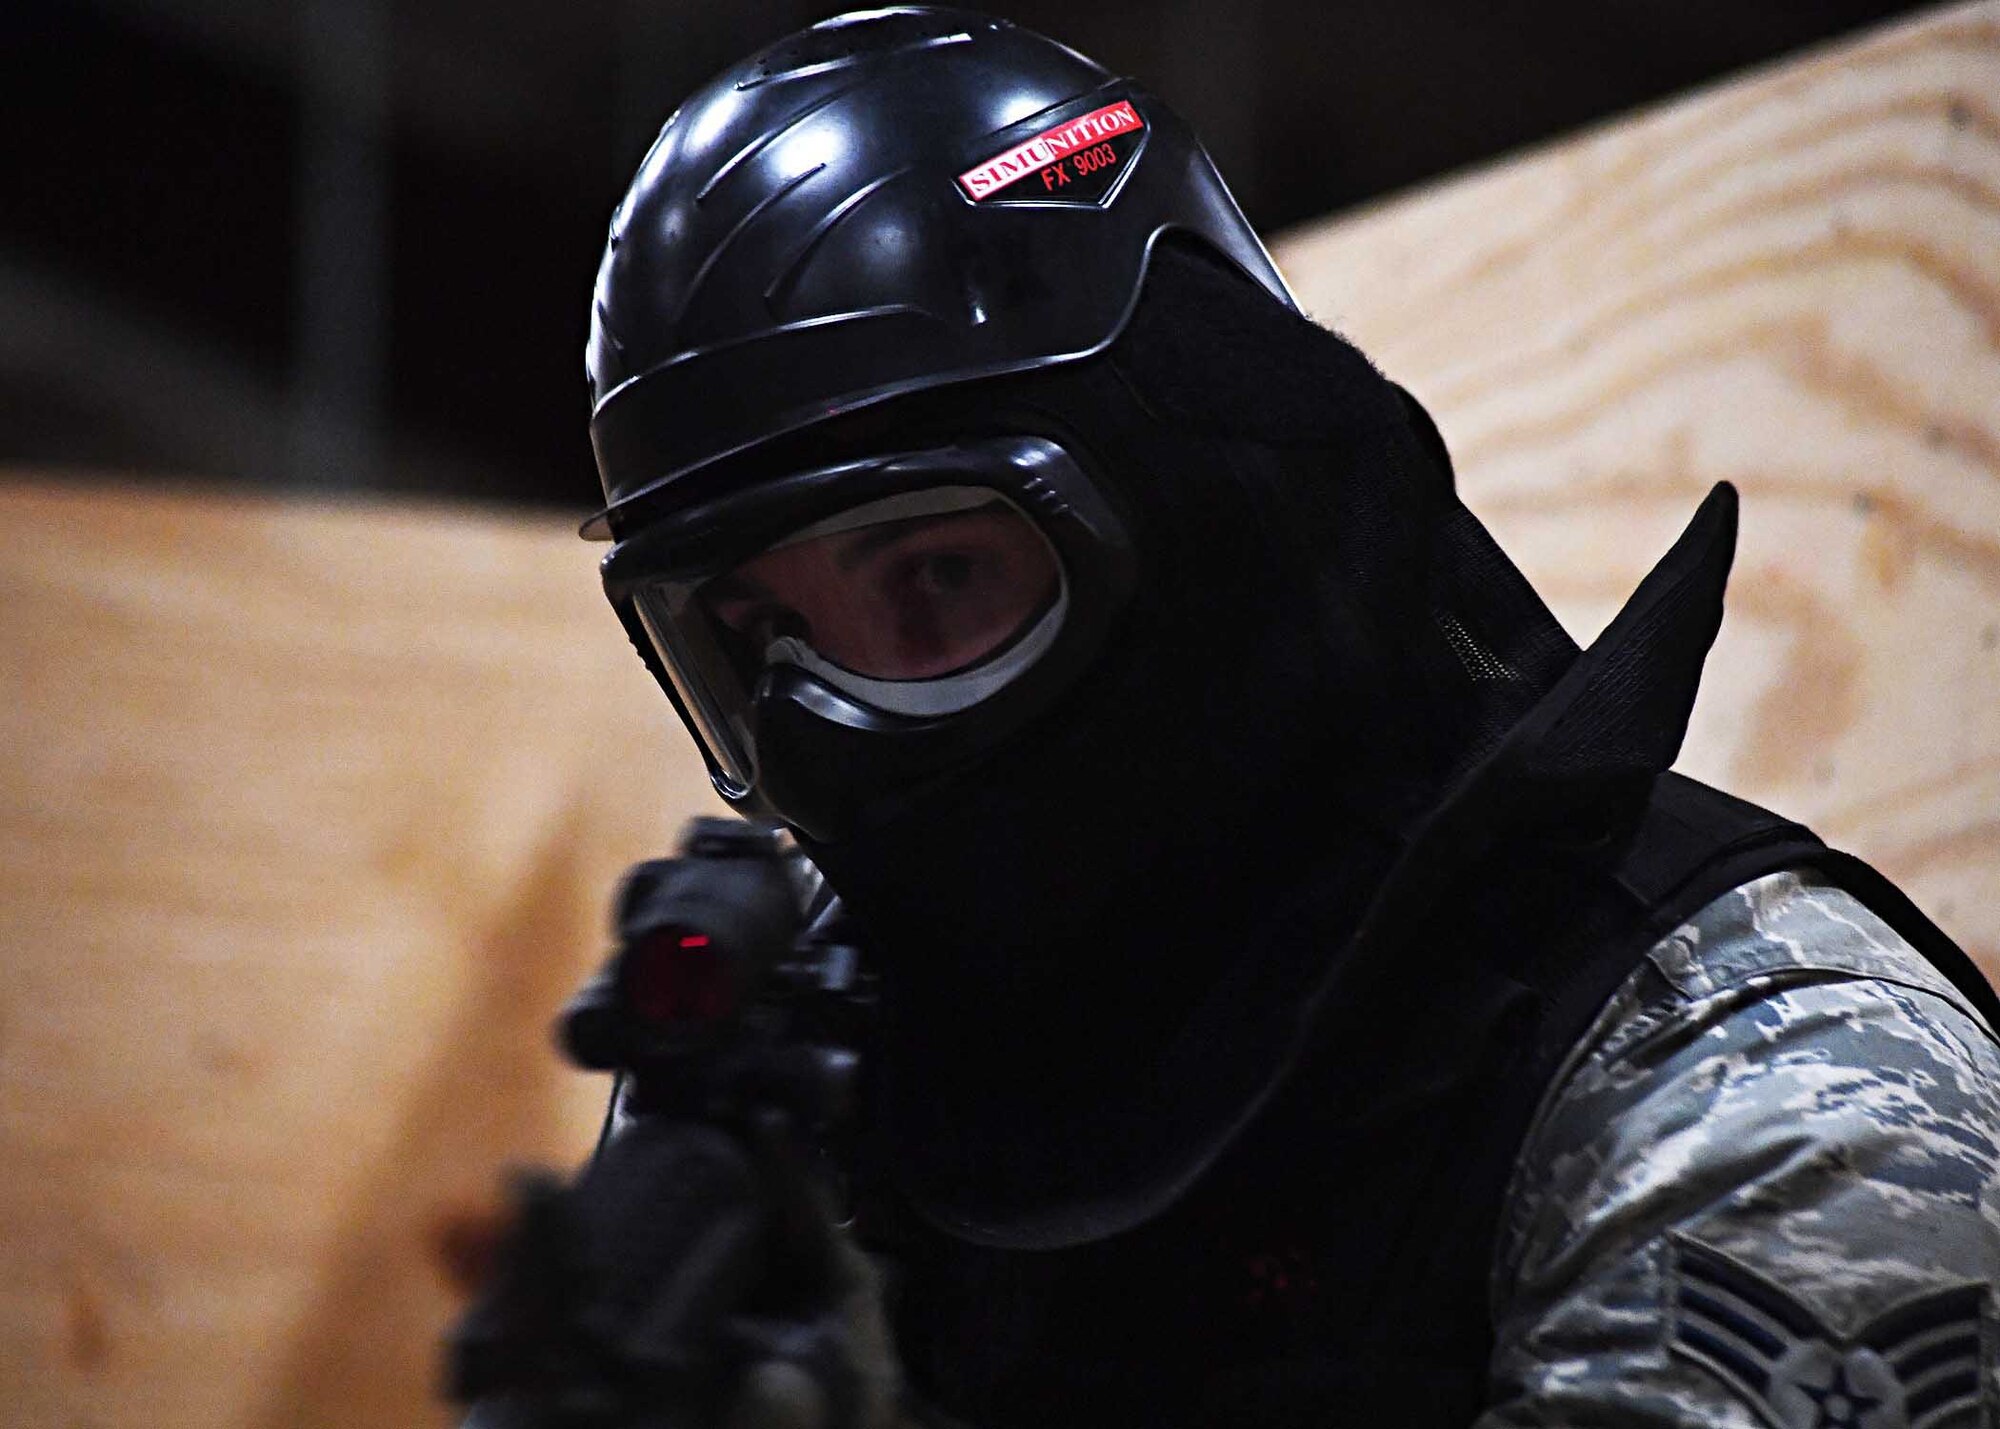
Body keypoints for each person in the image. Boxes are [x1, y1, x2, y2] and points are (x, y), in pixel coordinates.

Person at [505, 9, 2000, 1427]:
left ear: (1199, 510)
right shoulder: (836, 1067)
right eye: (754, 644)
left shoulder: (1781, 1090)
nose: (839, 735)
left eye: (939, 577)